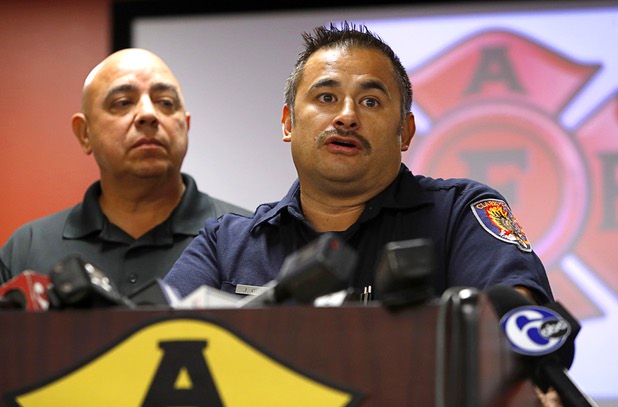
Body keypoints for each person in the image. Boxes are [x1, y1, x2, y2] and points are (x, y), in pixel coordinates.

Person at [163, 22, 553, 305]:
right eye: (327, 98)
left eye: (370, 102)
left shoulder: (458, 215)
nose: (347, 116)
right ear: (288, 123)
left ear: (405, 132)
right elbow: (149, 345)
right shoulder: (226, 244)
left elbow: (527, 326)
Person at [0, 48, 251, 296]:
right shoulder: (27, 248)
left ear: (185, 126)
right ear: (84, 133)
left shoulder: (249, 239)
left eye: (165, 102)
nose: (148, 114)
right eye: (122, 103)